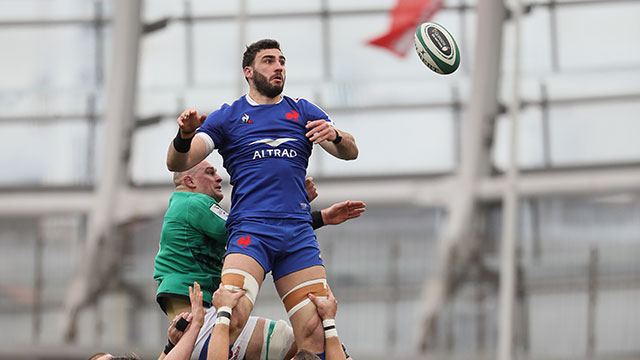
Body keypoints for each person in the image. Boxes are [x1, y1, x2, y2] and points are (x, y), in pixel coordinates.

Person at [166, 38, 359, 359]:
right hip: (251, 232)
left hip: (297, 234)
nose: (278, 66)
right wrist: (184, 135)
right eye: (269, 61)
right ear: (249, 71)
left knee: (315, 330)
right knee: (233, 314)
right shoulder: (228, 116)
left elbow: (350, 151)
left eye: (282, 61)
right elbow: (178, 162)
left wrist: (335, 135)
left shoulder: (303, 110)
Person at [155, 160, 364, 359]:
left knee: (301, 338)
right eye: (210, 173)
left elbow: (256, 232)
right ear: (190, 181)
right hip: (202, 326)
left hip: (195, 324)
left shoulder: (182, 206)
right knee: (308, 338)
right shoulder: (195, 202)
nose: (219, 177)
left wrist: (307, 214)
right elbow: (252, 231)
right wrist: (293, 206)